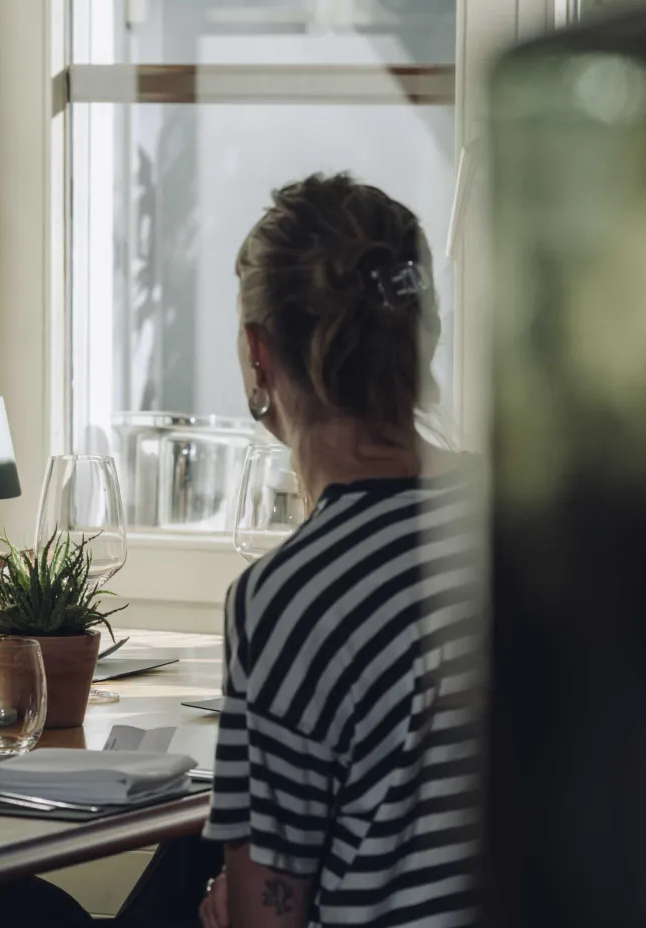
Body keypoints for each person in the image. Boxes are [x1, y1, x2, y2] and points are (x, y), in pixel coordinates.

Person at [137, 174, 481, 927]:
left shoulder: (290, 599)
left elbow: (269, 916)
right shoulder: (537, 521)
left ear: (259, 354)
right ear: (427, 338)